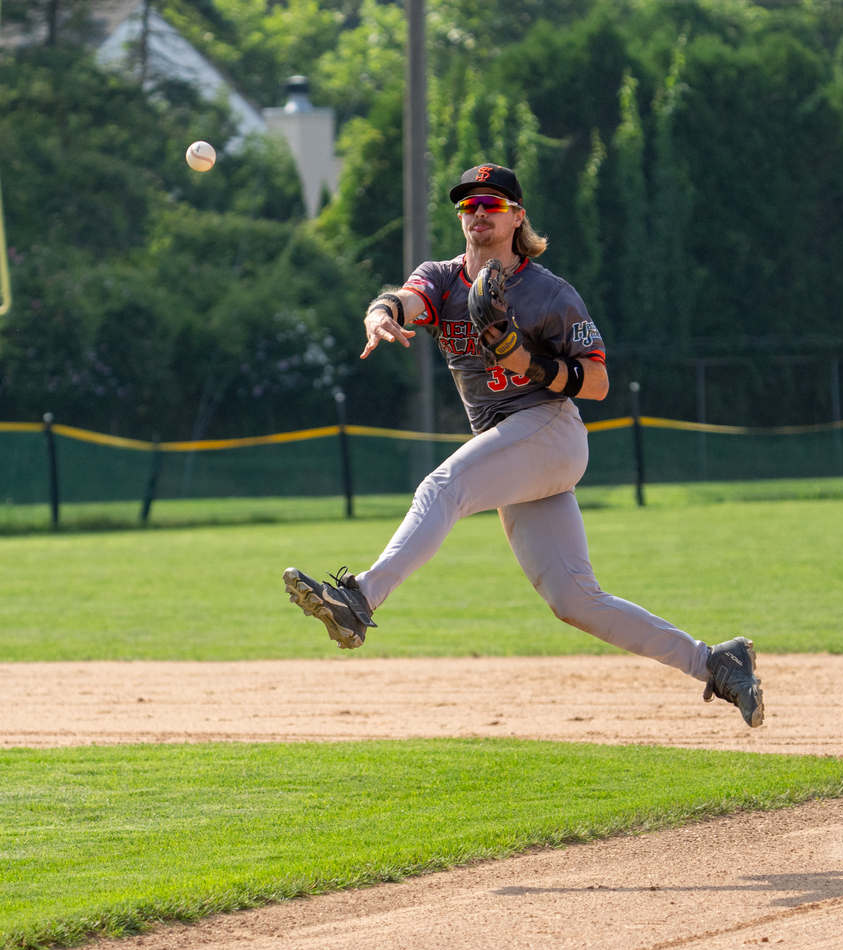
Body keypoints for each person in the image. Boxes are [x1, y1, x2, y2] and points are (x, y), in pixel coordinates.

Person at [283, 163, 764, 727]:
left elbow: (600, 381)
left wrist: (525, 362)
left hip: (551, 431)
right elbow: (403, 300)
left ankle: (359, 599)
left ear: (516, 216)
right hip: (511, 450)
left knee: (446, 484)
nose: (478, 214)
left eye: (491, 204)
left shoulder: (548, 292)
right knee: (574, 600)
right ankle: (716, 662)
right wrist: (379, 313)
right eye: (468, 206)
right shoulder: (442, 277)